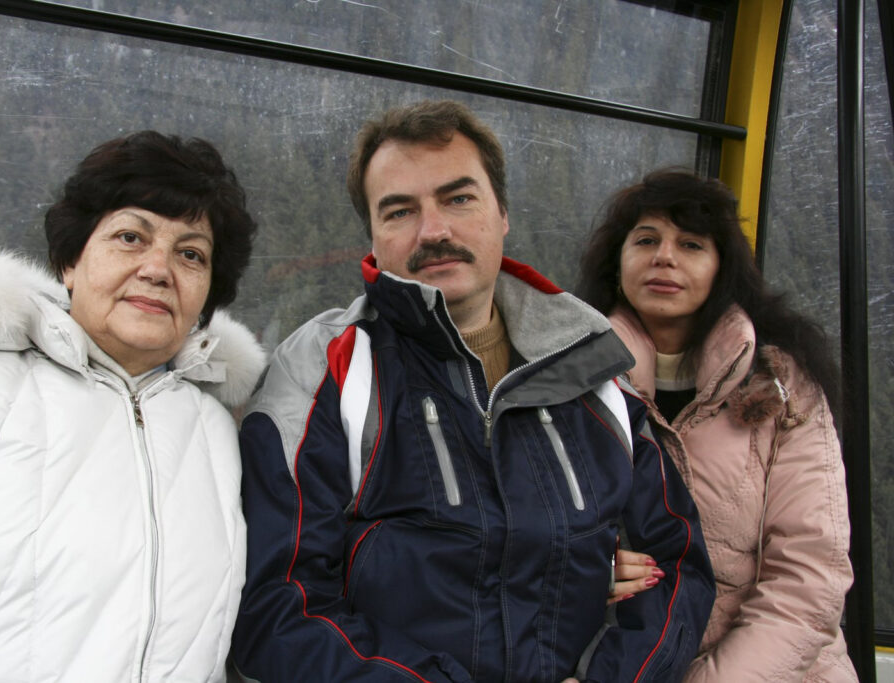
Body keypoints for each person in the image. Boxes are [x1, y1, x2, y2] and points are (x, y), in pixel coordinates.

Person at [230, 100, 715, 682]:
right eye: (400, 211)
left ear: (502, 214)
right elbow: (279, 609)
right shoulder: (327, 370)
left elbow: (676, 565)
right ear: (373, 237)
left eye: (458, 199)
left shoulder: (590, 370)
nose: (434, 231)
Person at [0, 131, 265, 682]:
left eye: (191, 254)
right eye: (130, 237)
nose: (158, 269)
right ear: (70, 261)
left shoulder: (217, 434)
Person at [577, 168, 856, 681]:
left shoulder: (781, 386)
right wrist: (584, 572)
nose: (665, 257)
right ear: (617, 265)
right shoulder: (569, 384)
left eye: (691, 244)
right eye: (646, 240)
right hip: (624, 663)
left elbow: (808, 578)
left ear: (721, 271)